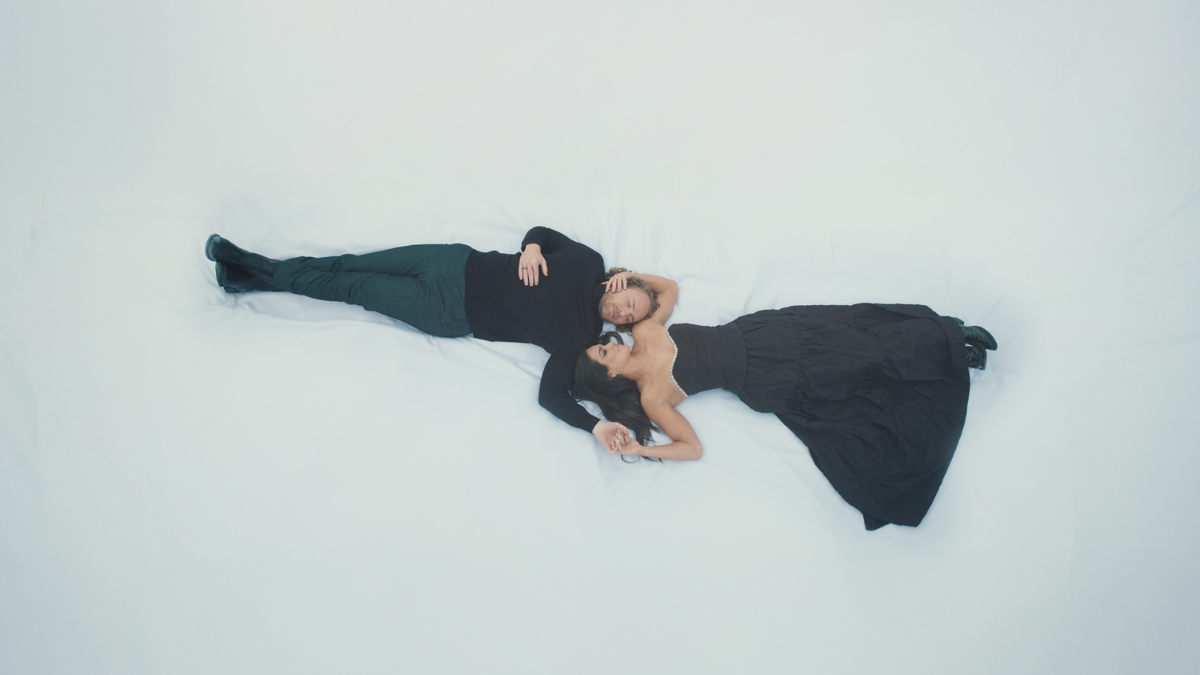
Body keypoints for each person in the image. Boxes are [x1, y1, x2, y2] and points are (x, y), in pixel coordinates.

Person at [205, 227, 679, 448]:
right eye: (629, 299)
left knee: (353, 288)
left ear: (626, 326)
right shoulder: (589, 262)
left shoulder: (581, 341)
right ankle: (251, 277)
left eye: (629, 317)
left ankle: (251, 267)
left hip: (446, 310)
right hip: (454, 261)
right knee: (350, 263)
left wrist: (594, 427)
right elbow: (543, 233)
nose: (622, 310)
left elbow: (550, 396)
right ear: (623, 281)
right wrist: (533, 247)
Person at [573, 303, 998, 529]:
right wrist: (640, 450)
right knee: (859, 365)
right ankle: (952, 345)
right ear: (609, 374)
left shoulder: (644, 330)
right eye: (604, 351)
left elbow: (667, 288)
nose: (611, 342)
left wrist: (622, 288)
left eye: (604, 341)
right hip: (764, 378)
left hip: (758, 331)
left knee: (852, 335)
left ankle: (946, 340)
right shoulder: (653, 397)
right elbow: (692, 448)